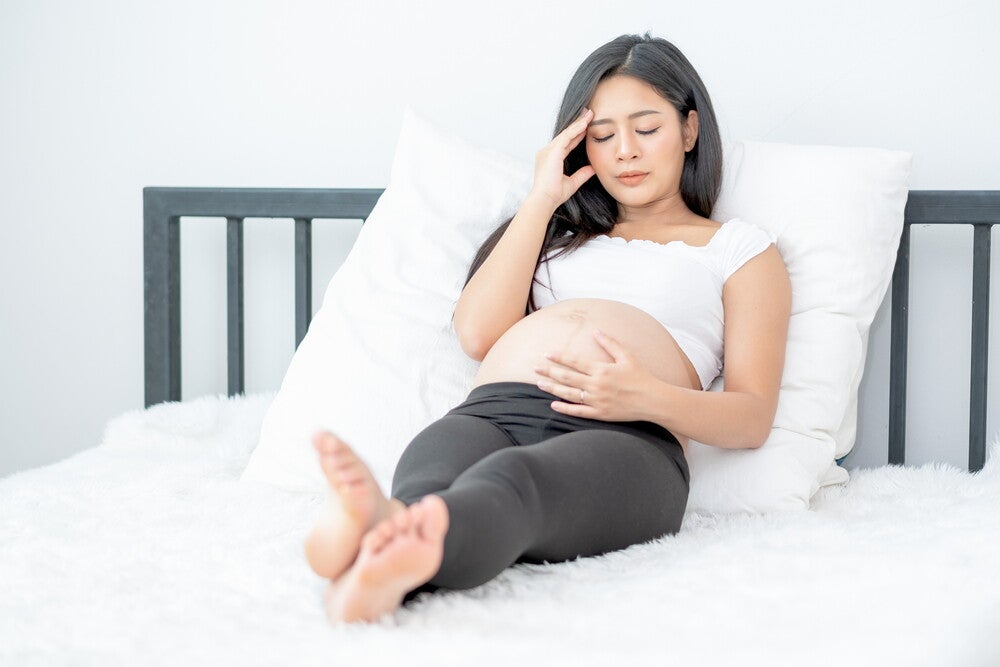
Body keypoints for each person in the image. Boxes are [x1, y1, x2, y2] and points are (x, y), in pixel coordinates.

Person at [304, 32, 791, 624]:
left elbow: (751, 415)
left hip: (631, 439)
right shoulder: (555, 234)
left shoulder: (739, 249)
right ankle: (383, 545)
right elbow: (479, 335)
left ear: (689, 130)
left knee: (513, 483)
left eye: (647, 128)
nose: (625, 152)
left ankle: (379, 549)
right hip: (494, 412)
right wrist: (541, 198)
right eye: (604, 136)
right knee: (435, 472)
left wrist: (646, 397)